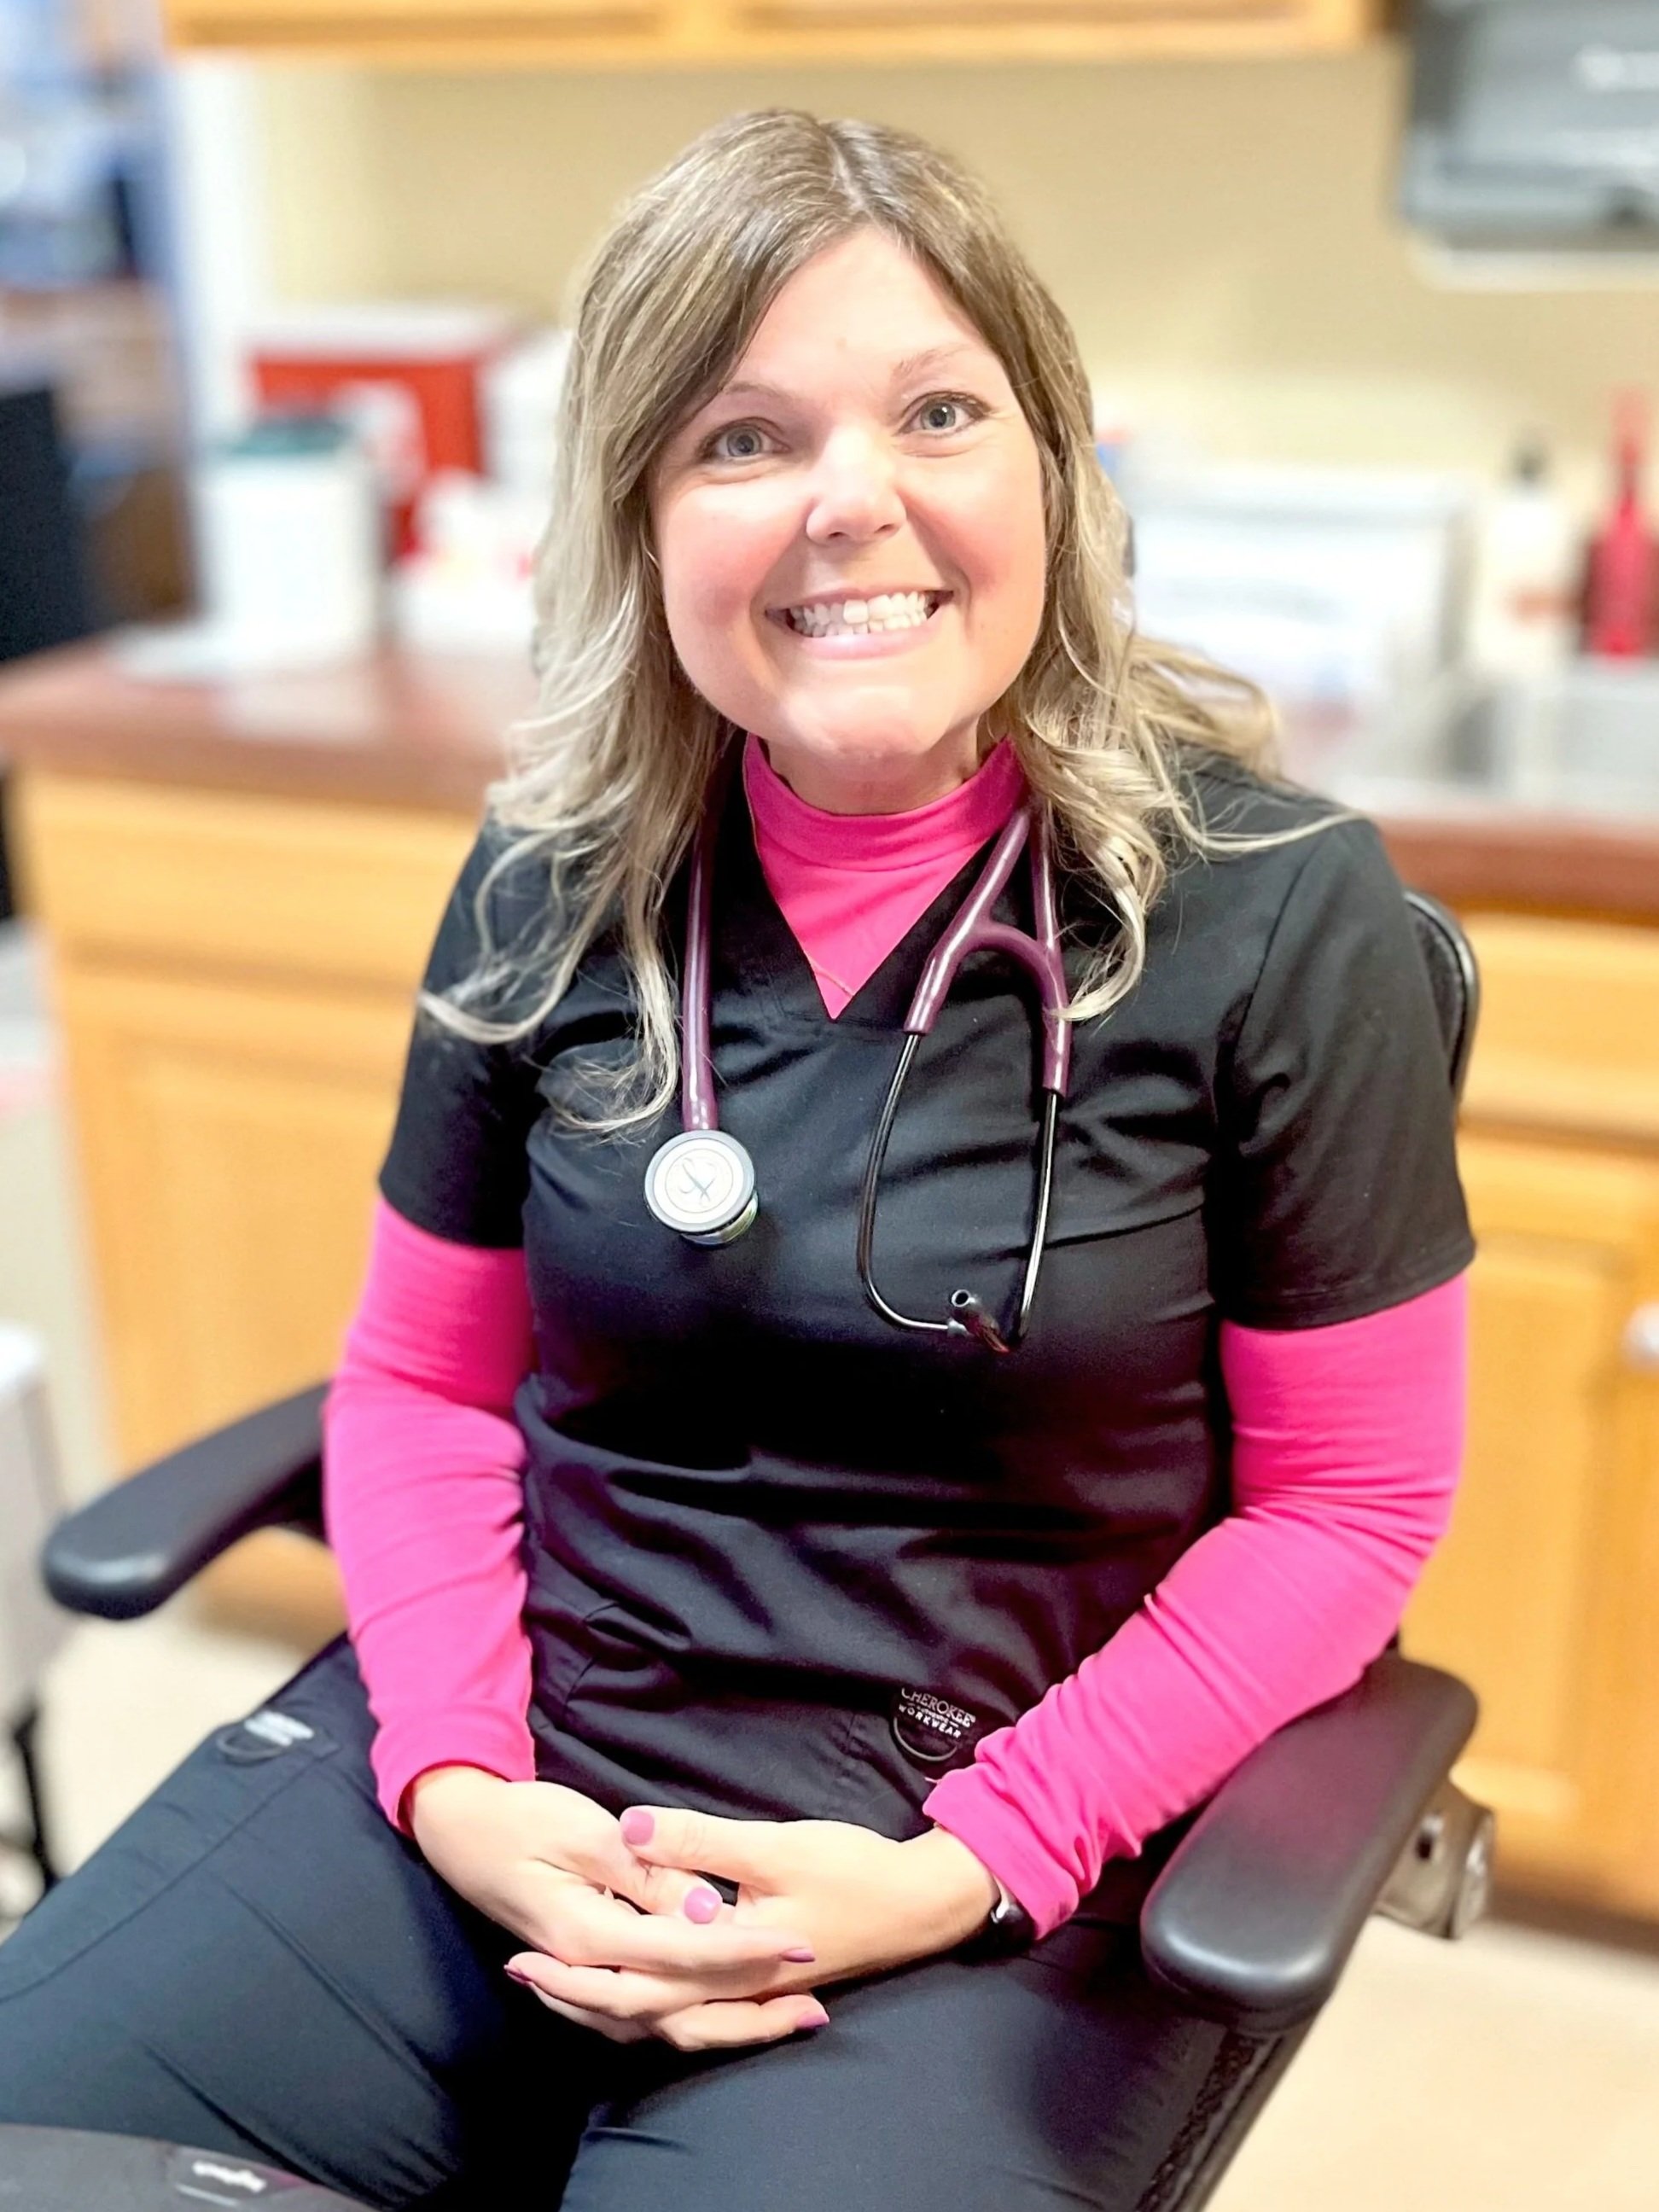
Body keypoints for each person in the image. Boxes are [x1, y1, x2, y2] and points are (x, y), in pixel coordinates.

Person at [0, 109, 1473, 2212]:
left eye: (938, 412)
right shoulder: (554, 880)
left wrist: (975, 1861)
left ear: (1052, 466)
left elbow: (1354, 1502)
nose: (850, 503)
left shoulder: (1275, 917)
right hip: (510, 1762)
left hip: (973, 1848)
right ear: (641, 518)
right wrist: (455, 1777)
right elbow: (417, 1385)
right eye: (743, 437)